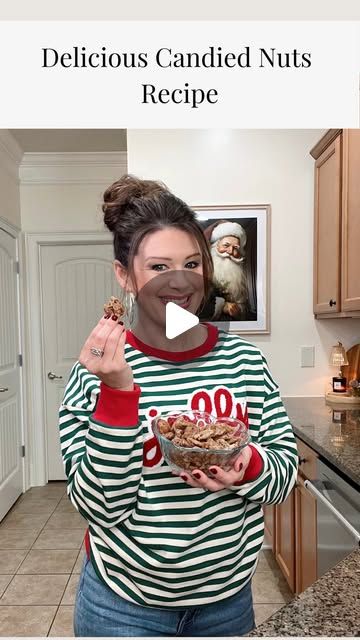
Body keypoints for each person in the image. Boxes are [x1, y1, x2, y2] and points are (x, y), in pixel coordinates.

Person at [59, 175, 298, 637]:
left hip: (226, 606)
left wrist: (246, 466)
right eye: (158, 267)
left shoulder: (244, 362)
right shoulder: (96, 370)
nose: (180, 281)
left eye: (192, 263)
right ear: (124, 276)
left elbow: (284, 476)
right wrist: (117, 394)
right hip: (121, 608)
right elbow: (99, 508)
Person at [200, 220, 255, 321]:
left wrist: (238, 310)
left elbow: (243, 304)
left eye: (235, 248)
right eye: (226, 245)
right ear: (215, 246)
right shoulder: (200, 270)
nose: (230, 251)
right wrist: (222, 306)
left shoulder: (239, 277)